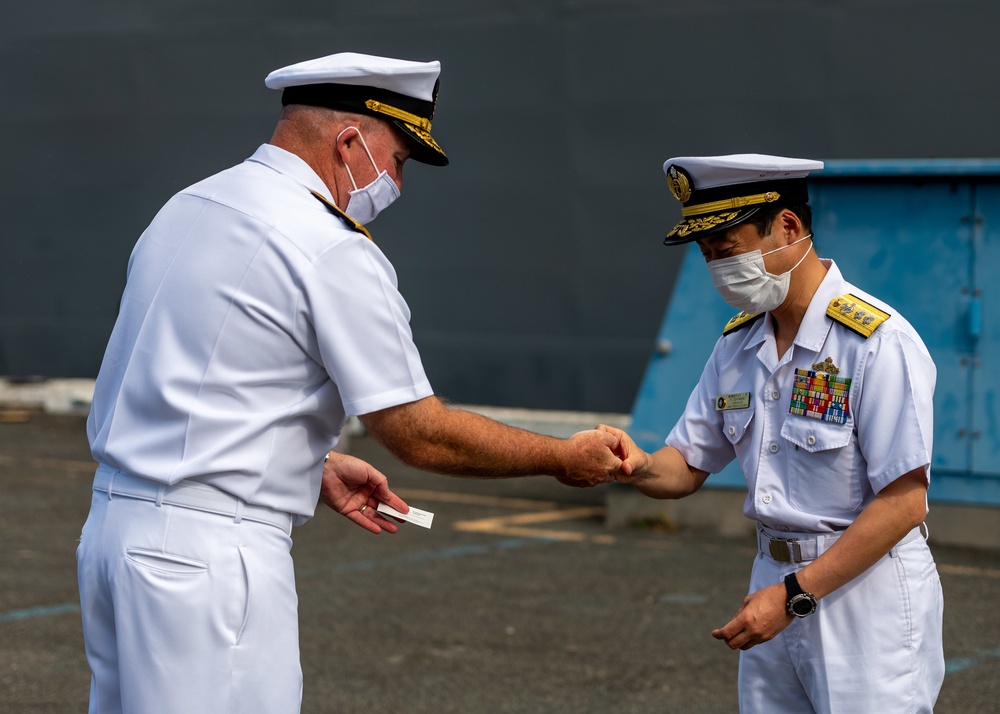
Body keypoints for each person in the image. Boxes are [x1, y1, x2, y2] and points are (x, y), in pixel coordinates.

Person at [77, 51, 629, 714]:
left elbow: (189, 380)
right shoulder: (328, 244)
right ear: (349, 142)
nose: (396, 182)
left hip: (114, 539)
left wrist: (310, 463)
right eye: (397, 161)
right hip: (209, 561)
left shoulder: (190, 206)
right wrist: (560, 456)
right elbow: (419, 433)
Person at [599, 154, 944, 713]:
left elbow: (903, 503)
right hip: (773, 582)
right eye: (707, 256)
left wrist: (795, 597)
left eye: (727, 249)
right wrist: (634, 463)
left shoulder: (876, 342)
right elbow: (686, 465)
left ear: (787, 228)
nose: (717, 268)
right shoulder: (736, 346)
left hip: (863, 594)